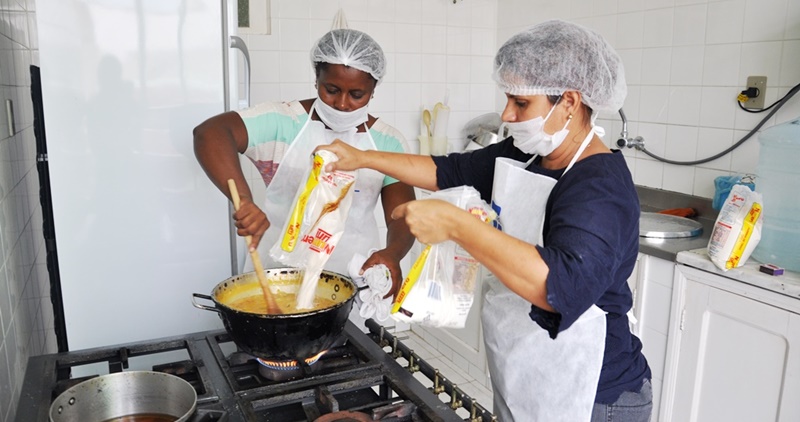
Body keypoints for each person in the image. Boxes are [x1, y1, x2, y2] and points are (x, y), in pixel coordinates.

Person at [316, 20, 652, 422]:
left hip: (594, 391)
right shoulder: (526, 155)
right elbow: (446, 170)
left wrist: (457, 225)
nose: (507, 114)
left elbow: (558, 287)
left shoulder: (599, 187)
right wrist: (364, 157)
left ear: (569, 102)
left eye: (520, 103)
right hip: (525, 367)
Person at [193, 28, 416, 311]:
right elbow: (210, 132)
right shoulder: (283, 121)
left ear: (373, 90)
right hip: (275, 282)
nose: (343, 104)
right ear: (316, 79)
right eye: (331, 90)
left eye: (357, 94)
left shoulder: (388, 141)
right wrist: (244, 201)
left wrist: (392, 254)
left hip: (350, 287)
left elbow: (402, 216)